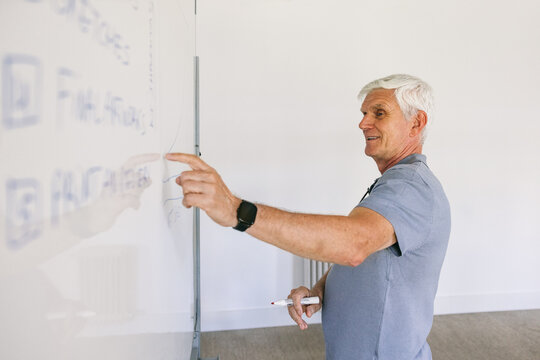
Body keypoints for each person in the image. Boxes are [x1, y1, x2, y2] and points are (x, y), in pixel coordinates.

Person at [166, 74, 451, 360]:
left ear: (416, 123)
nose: (363, 123)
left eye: (379, 113)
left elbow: (354, 245)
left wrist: (236, 211)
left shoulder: (409, 188)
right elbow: (372, 258)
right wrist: (322, 290)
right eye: (364, 113)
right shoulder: (397, 182)